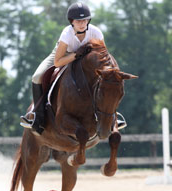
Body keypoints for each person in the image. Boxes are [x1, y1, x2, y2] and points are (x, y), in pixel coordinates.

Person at [20, 2, 126, 134]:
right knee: (36, 76)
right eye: (78, 21)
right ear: (72, 21)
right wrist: (76, 55)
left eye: (85, 20)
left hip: (86, 60)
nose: (82, 23)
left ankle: (113, 117)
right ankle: (38, 115)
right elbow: (58, 62)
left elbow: (104, 58)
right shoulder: (66, 34)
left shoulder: (96, 32)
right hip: (65, 55)